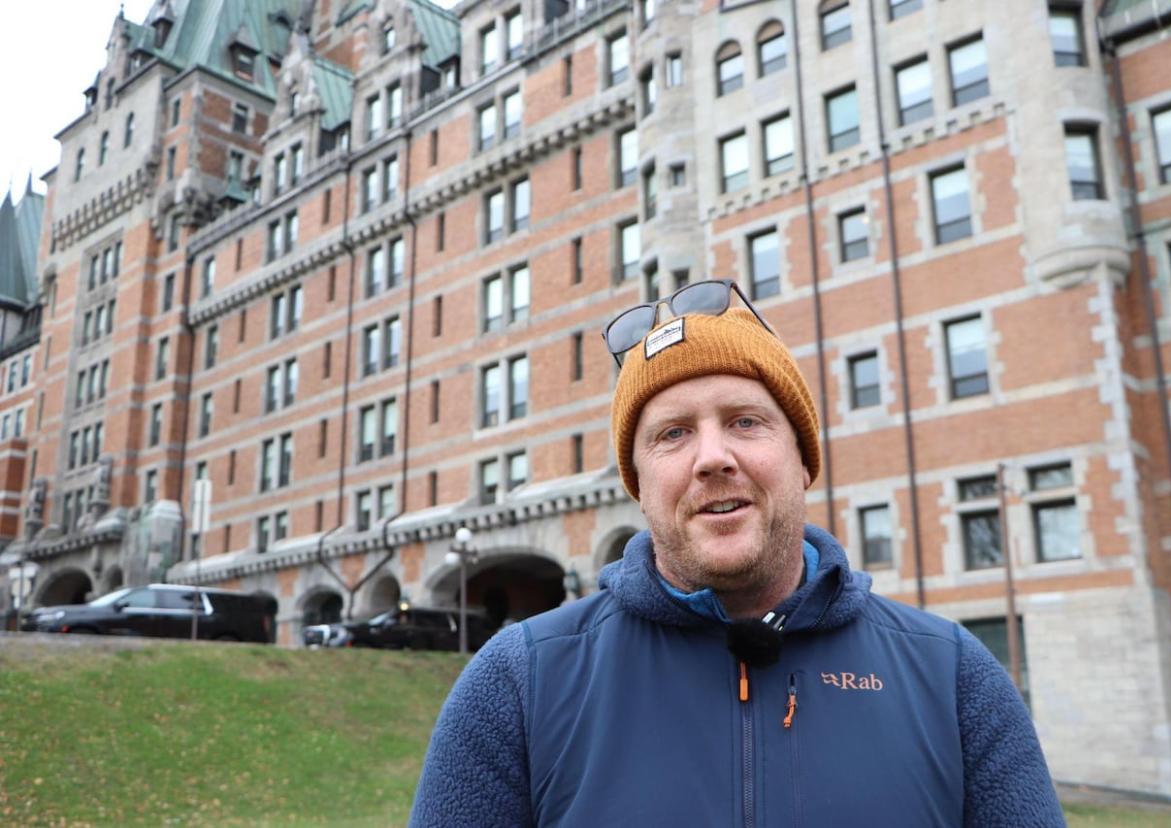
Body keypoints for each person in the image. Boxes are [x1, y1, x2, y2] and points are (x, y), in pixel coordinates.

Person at [410, 282, 1064, 827]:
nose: (713, 457)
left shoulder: (953, 678)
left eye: (746, 421)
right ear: (639, 484)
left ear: (802, 460)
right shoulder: (519, 684)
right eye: (672, 434)